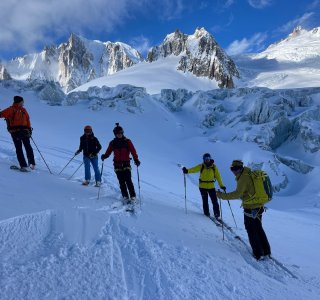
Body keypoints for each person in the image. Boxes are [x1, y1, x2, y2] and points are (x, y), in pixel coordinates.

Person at [216, 160, 271, 260]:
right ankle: (266, 250)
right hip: (259, 206)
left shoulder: (243, 178)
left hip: (250, 207)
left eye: (236, 169)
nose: (234, 171)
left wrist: (221, 195)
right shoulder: (249, 172)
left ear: (241, 168)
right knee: (258, 228)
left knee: (251, 229)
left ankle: (258, 253)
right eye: (232, 169)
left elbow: (237, 194)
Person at [101, 123, 140, 200]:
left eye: (121, 133)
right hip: (117, 165)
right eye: (118, 133)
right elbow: (108, 151)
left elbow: (133, 151)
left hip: (126, 164)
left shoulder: (128, 141)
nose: (119, 134)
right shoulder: (112, 143)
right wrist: (105, 156)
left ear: (123, 133)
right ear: (115, 134)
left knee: (128, 180)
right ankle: (125, 196)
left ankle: (133, 196)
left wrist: (136, 159)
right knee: (121, 181)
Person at [182, 153, 226, 219]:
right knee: (205, 201)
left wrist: (222, 185)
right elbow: (194, 169)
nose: (207, 160)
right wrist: (187, 171)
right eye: (206, 159)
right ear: (204, 159)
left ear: (210, 159)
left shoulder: (214, 167)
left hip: (211, 187)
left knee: (214, 201)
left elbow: (218, 177)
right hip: (202, 187)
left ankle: (217, 215)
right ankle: (206, 213)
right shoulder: (201, 166)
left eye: (208, 158)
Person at [0, 95, 35, 171]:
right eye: (22, 102)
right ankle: (24, 165)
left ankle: (31, 163)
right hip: (15, 132)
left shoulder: (23, 110)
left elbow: (28, 120)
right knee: (20, 148)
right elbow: (1, 114)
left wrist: (29, 129)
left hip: (24, 131)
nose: (23, 103)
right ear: (19, 102)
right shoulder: (11, 109)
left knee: (27, 147)